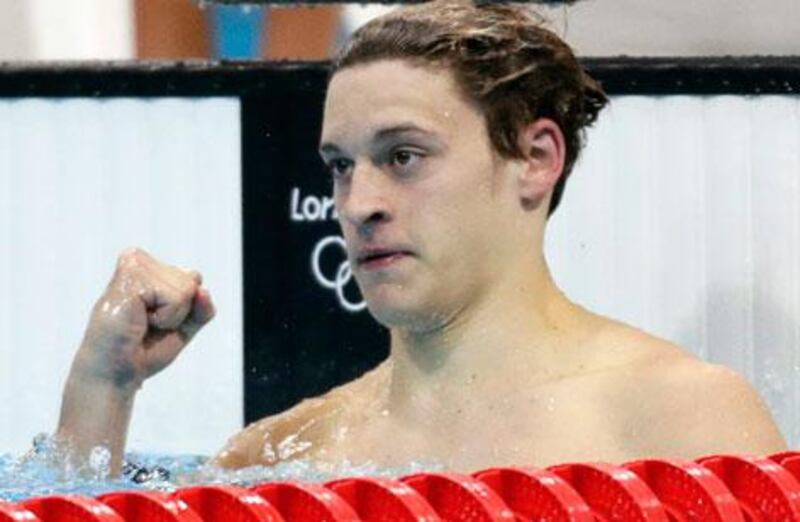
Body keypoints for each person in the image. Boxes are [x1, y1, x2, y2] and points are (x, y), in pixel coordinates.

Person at [56, 0, 786, 475]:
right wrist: (102, 388)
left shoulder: (683, 420)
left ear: (536, 159)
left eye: (403, 157)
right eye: (341, 167)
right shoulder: (290, 451)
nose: (357, 204)